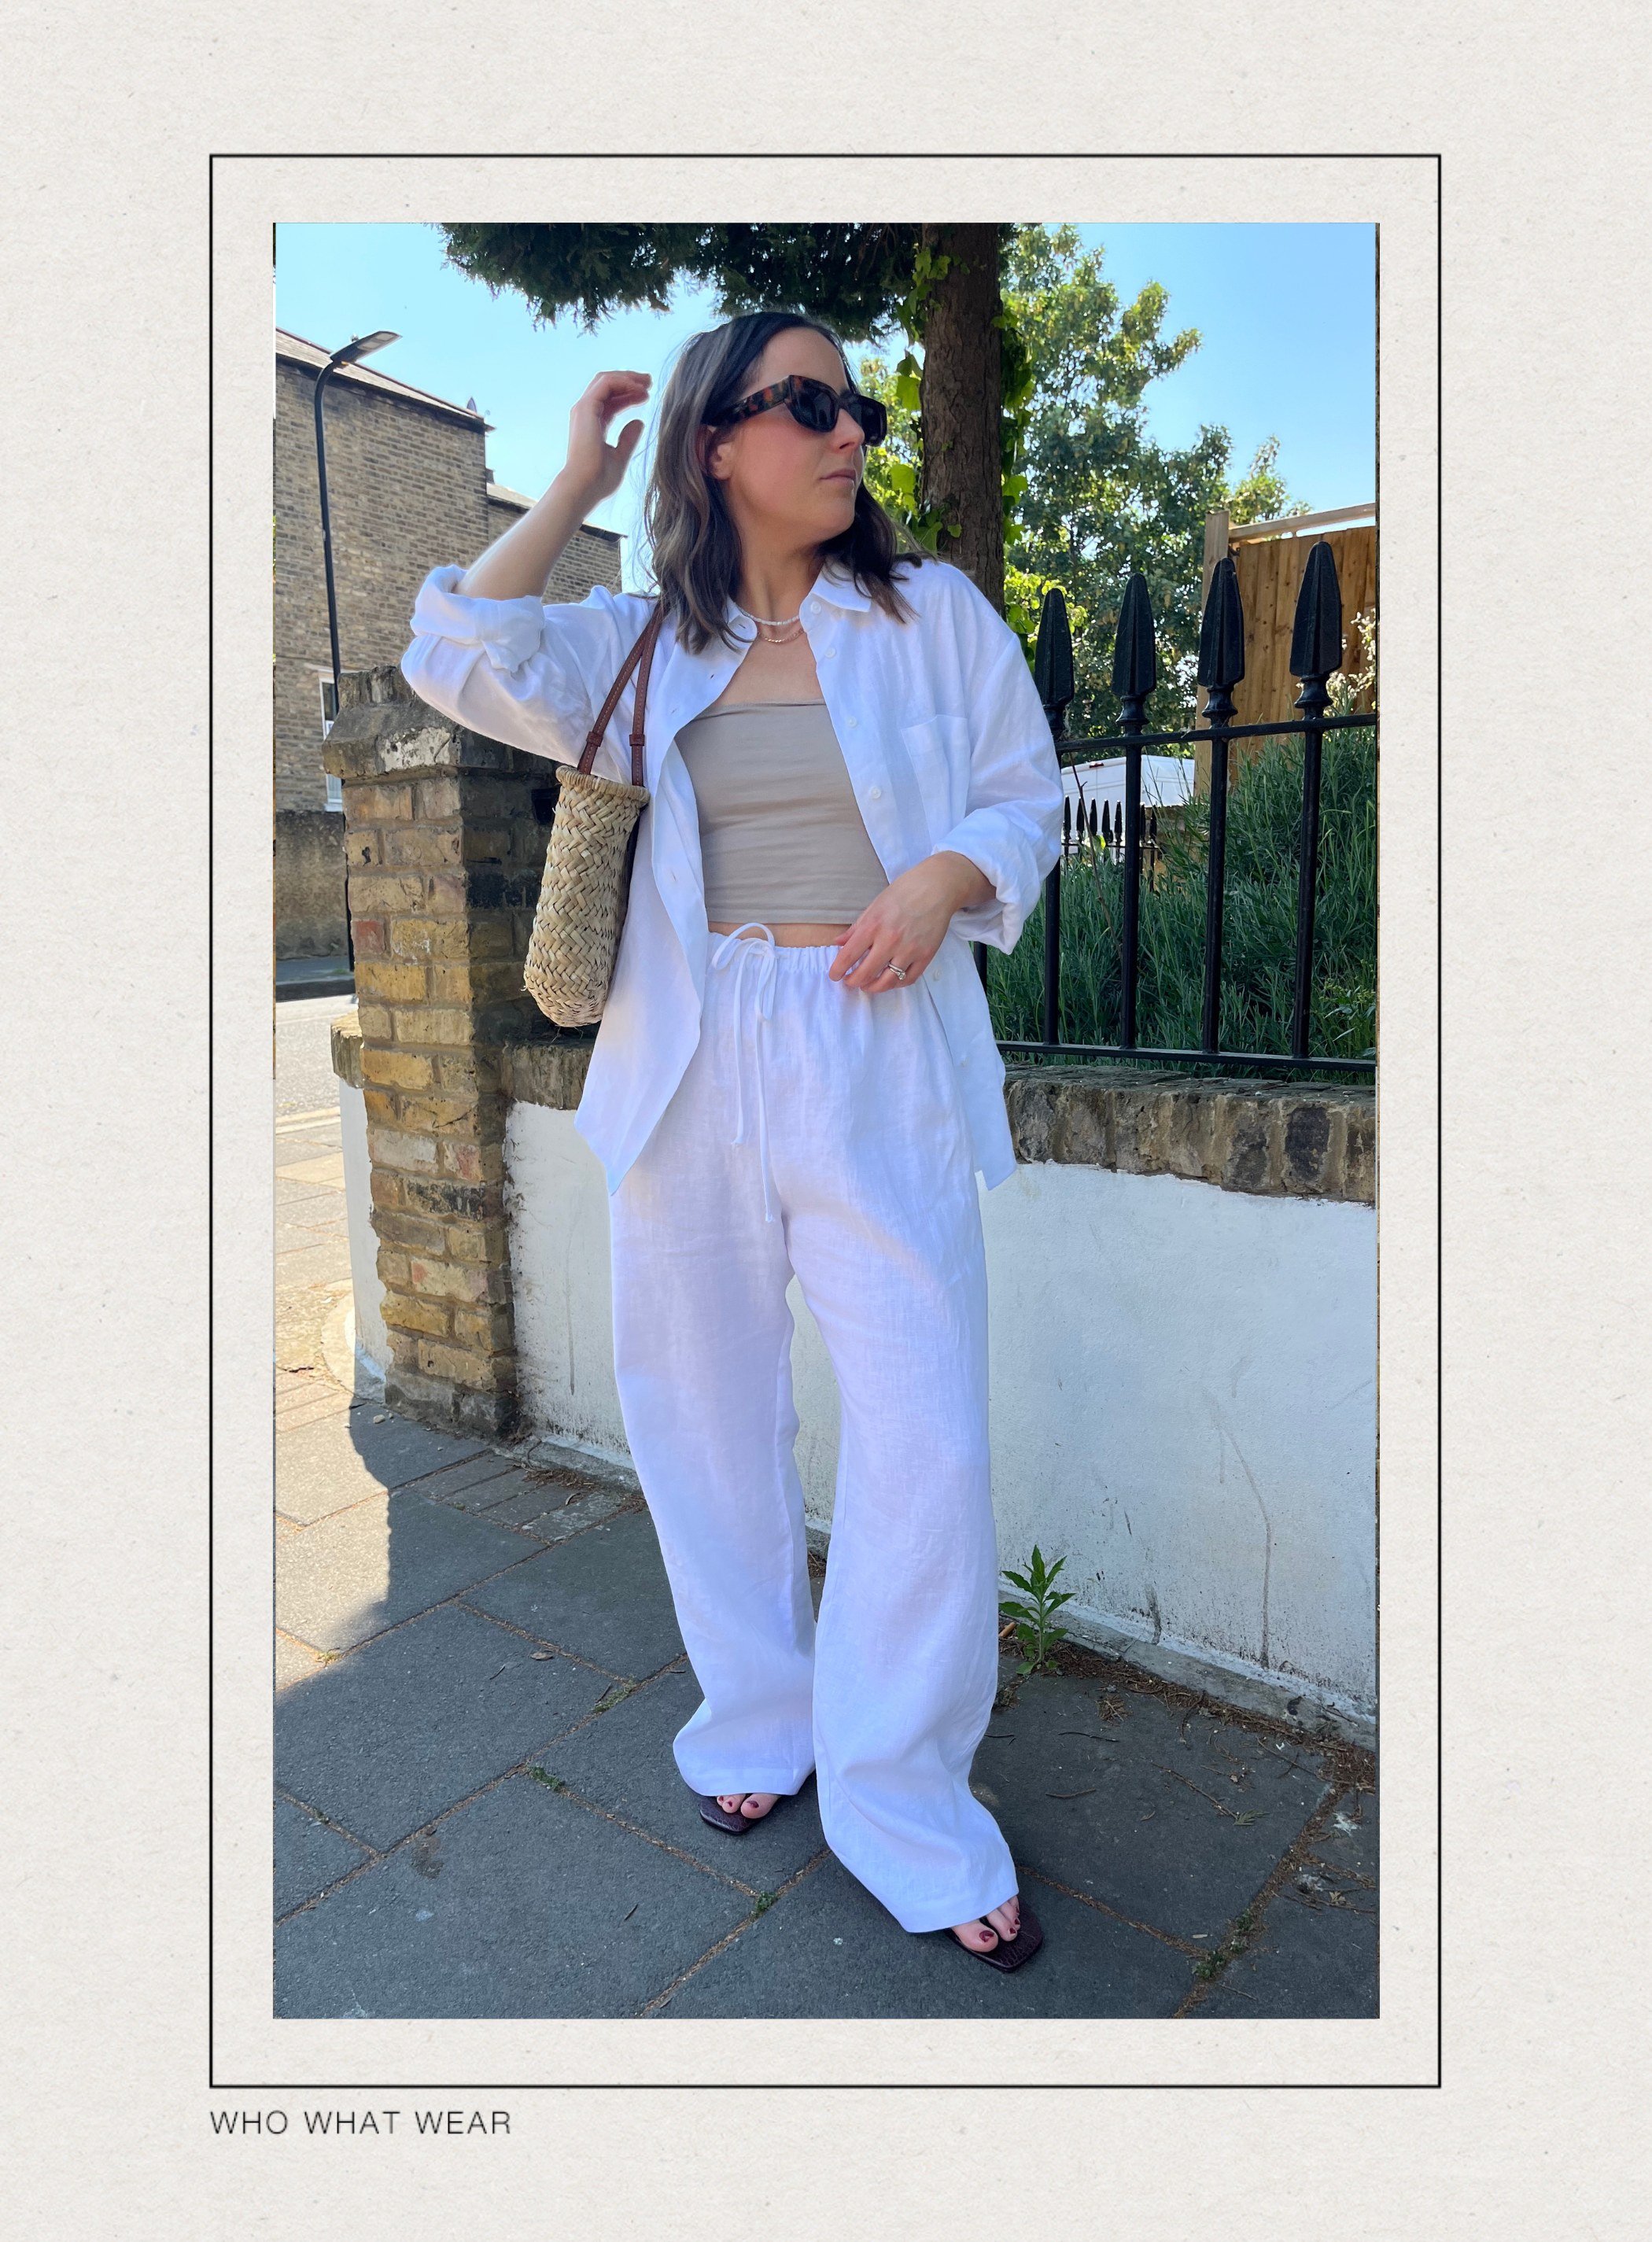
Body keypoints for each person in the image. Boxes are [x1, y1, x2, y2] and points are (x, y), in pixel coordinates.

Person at [400, 310, 1064, 1970]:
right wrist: (574, 482)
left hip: (874, 1052)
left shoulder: (930, 617)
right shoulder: (641, 641)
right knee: (701, 1414)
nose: (850, 432)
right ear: (717, 442)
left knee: (926, 1435)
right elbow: (452, 649)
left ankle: (903, 1794)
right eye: (809, 402)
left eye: (862, 406)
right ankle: (761, 1714)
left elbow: (1026, 794)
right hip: (692, 1051)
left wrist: (945, 879)